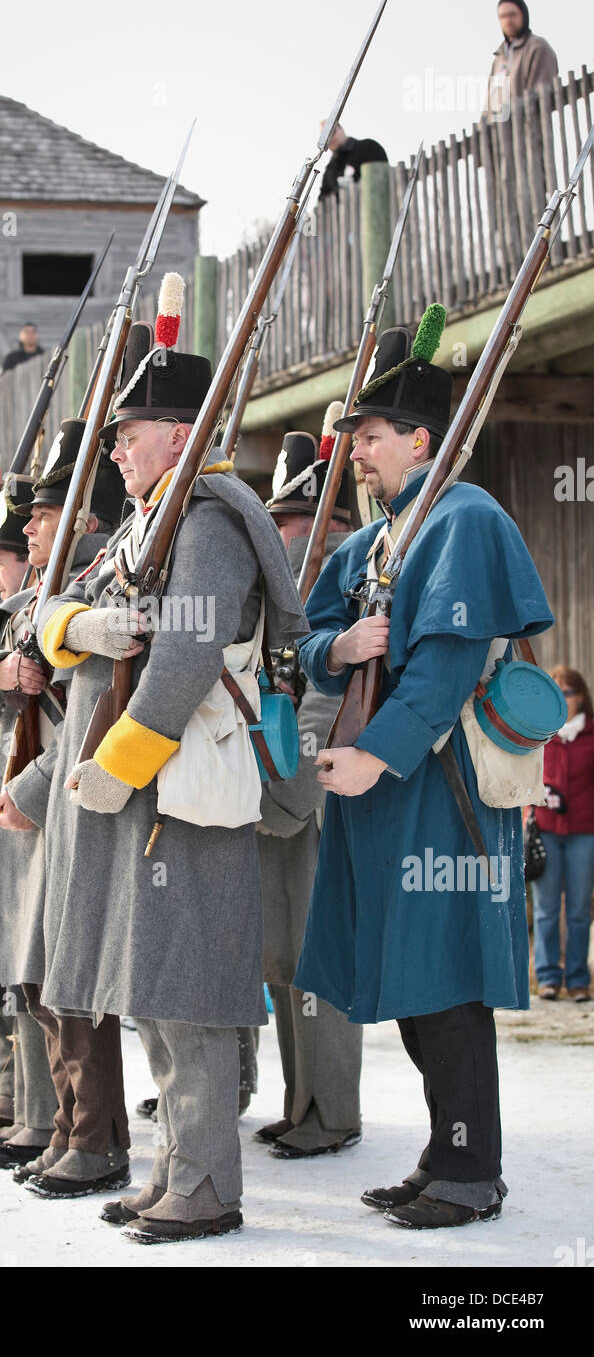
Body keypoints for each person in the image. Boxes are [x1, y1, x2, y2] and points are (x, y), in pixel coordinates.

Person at [18, 314, 304, 1241]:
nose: (116, 449)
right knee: (155, 992)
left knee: (190, 999)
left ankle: (210, 1185)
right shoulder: (149, 522)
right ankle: (180, 1169)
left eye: (129, 434)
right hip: (150, 789)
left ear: (178, 434)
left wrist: (116, 762)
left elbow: (186, 655)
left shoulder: (209, 517)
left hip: (180, 785)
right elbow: (54, 607)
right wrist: (81, 630)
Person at [294, 308, 554, 1230]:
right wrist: (339, 648)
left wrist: (373, 753)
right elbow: (307, 637)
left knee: (443, 981)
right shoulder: (374, 541)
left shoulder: (465, 517)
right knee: (408, 981)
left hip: (439, 793)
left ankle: (470, 1172)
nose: (354, 453)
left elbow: (445, 669)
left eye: (367, 437)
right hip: (384, 790)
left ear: (419, 437)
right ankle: (444, 1154)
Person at [0, 439, 124, 1171]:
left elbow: (100, 713)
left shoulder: (103, 589)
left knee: (70, 978)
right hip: (20, 814)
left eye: (43, 517)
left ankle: (94, 1139)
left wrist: (27, 791)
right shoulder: (37, 600)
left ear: (82, 517)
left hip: (67, 803)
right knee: (35, 978)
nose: (31, 533)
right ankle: (64, 1127)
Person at [254, 419, 364, 1160]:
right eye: (285, 521)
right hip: (271, 794)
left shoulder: (351, 582)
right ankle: (301, 1104)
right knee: (281, 962)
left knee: (318, 962)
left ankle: (333, 1113)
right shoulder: (278, 594)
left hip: (315, 800)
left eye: (303, 520)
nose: (292, 535)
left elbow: (329, 701)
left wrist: (287, 793)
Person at [530, 667, 594, 1002]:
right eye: (558, 692)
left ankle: (579, 979)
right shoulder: (538, 733)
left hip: (585, 831)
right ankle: (548, 977)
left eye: (569, 692)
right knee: (546, 908)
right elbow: (525, 779)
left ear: (582, 697)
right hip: (547, 831)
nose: (564, 698)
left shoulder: (591, 736)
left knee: (580, 910)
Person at [483, 0, 558, 120]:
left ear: (523, 15)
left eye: (512, 14)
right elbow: (491, 104)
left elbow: (540, 96)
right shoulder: (499, 58)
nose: (508, 21)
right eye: (503, 17)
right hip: (501, 136)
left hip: (528, 133)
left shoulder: (537, 47)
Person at [318, 123, 387, 202]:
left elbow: (382, 180)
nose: (331, 139)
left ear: (341, 129)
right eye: (325, 137)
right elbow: (323, 200)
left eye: (332, 132)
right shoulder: (329, 171)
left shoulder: (368, 147)